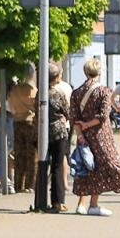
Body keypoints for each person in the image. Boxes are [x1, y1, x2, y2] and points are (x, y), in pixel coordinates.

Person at [68, 57, 120, 215]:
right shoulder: (104, 91)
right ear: (100, 72)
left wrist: (80, 134)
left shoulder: (76, 93)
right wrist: (88, 124)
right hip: (101, 136)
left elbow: (74, 117)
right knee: (101, 167)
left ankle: (81, 204)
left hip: (84, 135)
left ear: (85, 72)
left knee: (85, 166)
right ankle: (94, 204)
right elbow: (103, 116)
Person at [45, 62, 72, 212]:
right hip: (58, 132)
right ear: (55, 77)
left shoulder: (41, 93)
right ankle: (58, 201)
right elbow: (68, 112)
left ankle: (41, 199)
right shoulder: (57, 93)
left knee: (43, 165)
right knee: (57, 166)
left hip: (43, 132)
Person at [6, 66, 37, 194]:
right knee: (31, 155)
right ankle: (30, 184)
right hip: (30, 122)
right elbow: (36, 106)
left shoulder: (15, 90)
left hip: (17, 122)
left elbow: (10, 105)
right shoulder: (32, 90)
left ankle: (19, 184)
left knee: (19, 154)